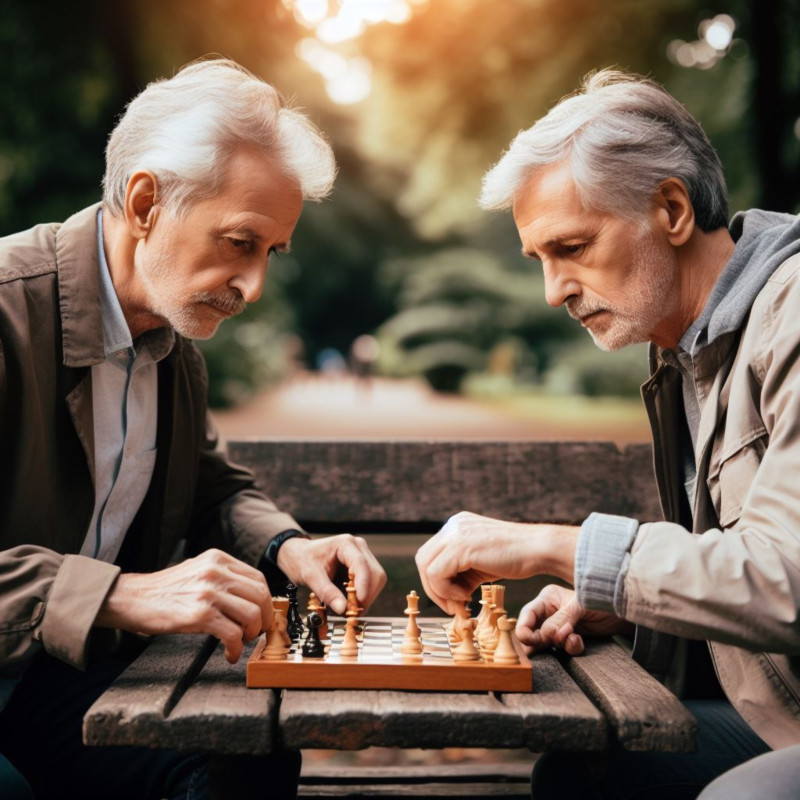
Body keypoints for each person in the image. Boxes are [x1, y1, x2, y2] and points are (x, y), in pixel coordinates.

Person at [0, 57, 386, 800]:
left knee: (245, 758)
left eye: (270, 253)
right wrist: (117, 596)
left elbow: (209, 483)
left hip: (58, 686)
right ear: (146, 202)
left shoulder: (174, 348)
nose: (255, 287)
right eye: (239, 242)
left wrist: (290, 546)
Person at [415, 69, 800, 799]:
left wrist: (552, 545)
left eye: (573, 248)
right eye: (540, 261)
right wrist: (617, 597)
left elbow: (787, 581)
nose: (554, 290)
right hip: (780, 719)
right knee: (584, 771)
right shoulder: (687, 347)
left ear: (672, 209)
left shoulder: (793, 316)